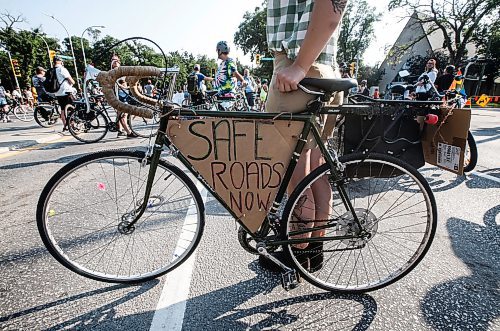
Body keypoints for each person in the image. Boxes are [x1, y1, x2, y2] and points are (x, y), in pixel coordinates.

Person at [262, 0, 347, 271]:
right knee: (315, 171)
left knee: (295, 177)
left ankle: (295, 256)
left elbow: (333, 6)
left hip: (301, 72)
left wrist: (299, 66)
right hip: (321, 68)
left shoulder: (299, 66)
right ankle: (312, 250)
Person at [110, 56, 137, 138]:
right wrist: (129, 87)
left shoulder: (121, 71)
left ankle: (120, 130)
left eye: (116, 60)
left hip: (124, 95)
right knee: (123, 115)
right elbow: (120, 85)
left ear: (119, 61)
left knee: (121, 114)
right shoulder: (113, 72)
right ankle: (129, 133)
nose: (114, 62)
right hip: (119, 96)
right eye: (113, 60)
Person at [53, 57, 76, 129]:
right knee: (71, 109)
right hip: (66, 91)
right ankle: (72, 125)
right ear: (59, 61)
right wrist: (72, 82)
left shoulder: (51, 70)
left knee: (63, 109)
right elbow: (71, 81)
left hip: (57, 93)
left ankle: (65, 125)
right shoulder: (62, 69)